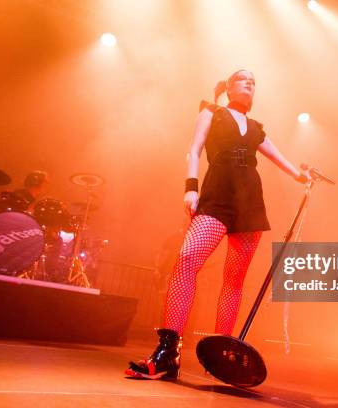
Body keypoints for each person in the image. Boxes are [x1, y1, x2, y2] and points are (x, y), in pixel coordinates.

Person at [125, 69, 312, 380]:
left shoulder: (255, 127)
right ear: (228, 87)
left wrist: (301, 176)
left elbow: (278, 157)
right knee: (186, 259)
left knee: (234, 279)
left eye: (253, 81)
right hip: (217, 196)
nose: (250, 83)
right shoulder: (212, 112)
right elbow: (195, 149)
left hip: (249, 201)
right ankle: (167, 351)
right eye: (243, 78)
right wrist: (190, 186)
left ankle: (221, 352)